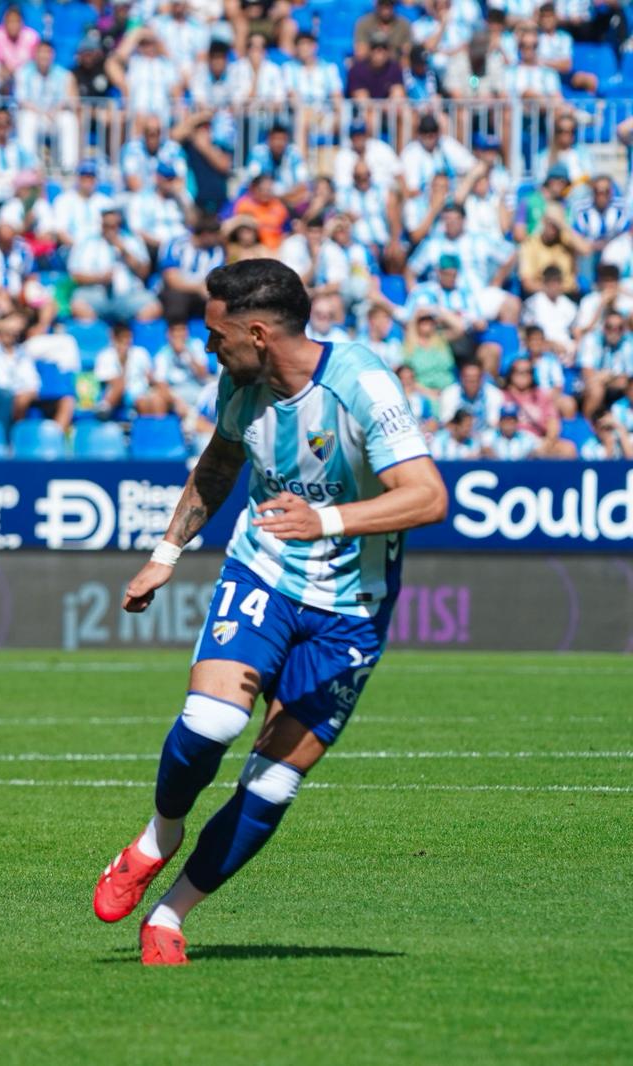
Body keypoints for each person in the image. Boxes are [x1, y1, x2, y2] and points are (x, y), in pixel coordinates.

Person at [93, 259, 448, 966]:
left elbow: (429, 496)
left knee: (274, 780)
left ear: (256, 333)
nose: (208, 348)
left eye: (216, 335)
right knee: (213, 720)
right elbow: (219, 465)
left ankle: (169, 915)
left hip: (351, 607)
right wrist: (166, 554)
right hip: (265, 572)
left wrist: (326, 520)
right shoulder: (241, 383)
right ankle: (159, 835)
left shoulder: (360, 384)